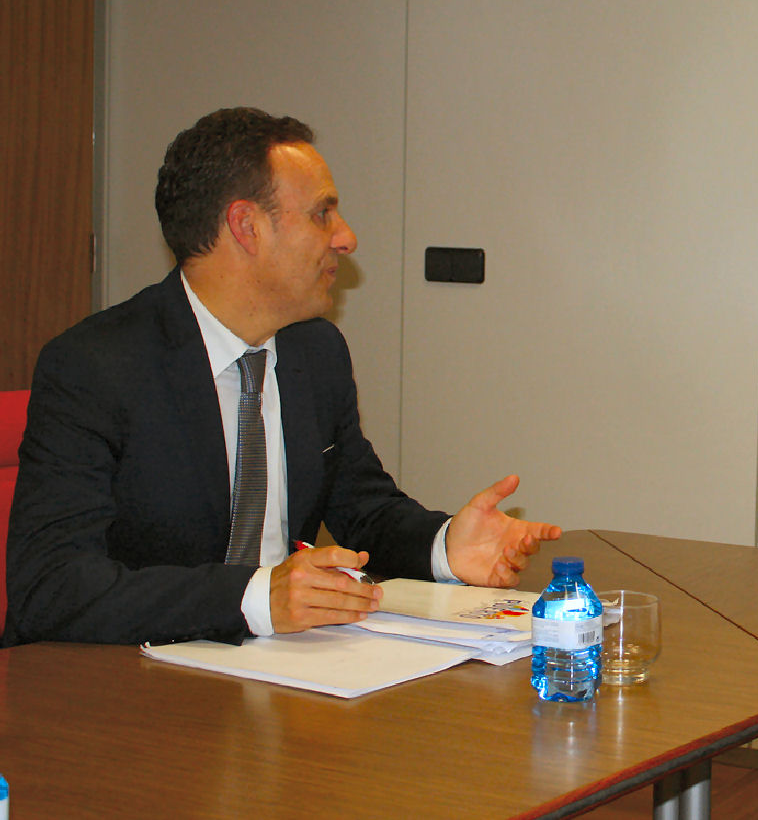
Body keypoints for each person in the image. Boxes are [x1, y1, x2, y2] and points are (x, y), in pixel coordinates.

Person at [4, 107, 561, 647]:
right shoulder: (96, 366)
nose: (346, 237)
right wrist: (253, 599)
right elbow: (50, 585)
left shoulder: (315, 351)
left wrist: (444, 546)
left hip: (283, 672)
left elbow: (363, 510)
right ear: (246, 226)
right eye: (322, 214)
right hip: (131, 681)